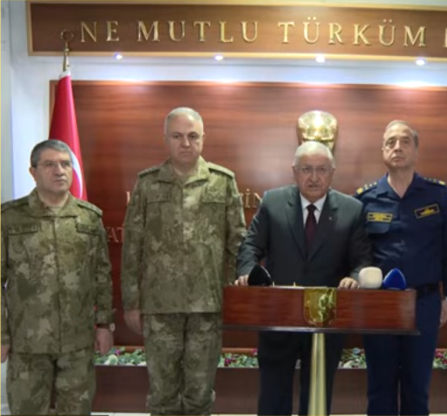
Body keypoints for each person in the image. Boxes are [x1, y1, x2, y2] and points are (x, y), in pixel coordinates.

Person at [121, 107, 246, 415]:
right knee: (162, 395)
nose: (185, 143)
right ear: (166, 139)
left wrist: (232, 296)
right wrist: (132, 303)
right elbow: (132, 246)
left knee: (200, 394)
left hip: (207, 307)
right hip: (159, 307)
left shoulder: (222, 181)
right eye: (177, 136)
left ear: (203, 138)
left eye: (192, 136)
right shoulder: (147, 183)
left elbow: (238, 244)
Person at [235, 141, 372, 416]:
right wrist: (248, 272)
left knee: (317, 398)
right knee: (273, 396)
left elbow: (363, 261)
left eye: (321, 170)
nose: (314, 177)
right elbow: (250, 247)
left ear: (332, 173)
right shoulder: (273, 202)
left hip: (326, 319)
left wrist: (355, 278)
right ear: (294, 171)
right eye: (306, 169)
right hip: (278, 315)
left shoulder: (352, 210)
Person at [354, 120, 447, 415]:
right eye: (390, 142)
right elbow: (357, 254)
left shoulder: (438, 195)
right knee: (380, 388)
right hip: (379, 305)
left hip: (423, 302)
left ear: (416, 150)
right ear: (382, 150)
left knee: (417, 387)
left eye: (404, 141)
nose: (397, 147)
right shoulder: (365, 199)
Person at [1, 139, 113, 415]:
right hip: (27, 340)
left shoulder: (88, 218)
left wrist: (104, 325)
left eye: (65, 164)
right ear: (33, 172)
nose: (60, 171)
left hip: (77, 341)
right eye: (49, 164)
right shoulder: (10, 218)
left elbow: (102, 275)